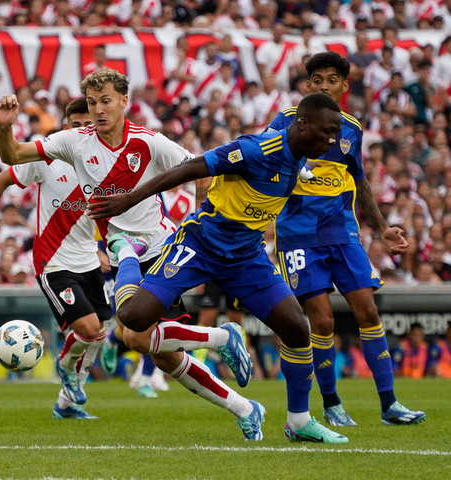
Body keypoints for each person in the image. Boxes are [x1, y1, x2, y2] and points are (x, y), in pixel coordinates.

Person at [0, 68, 264, 440]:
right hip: (123, 255)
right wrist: (5, 127)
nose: (99, 110)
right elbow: (13, 155)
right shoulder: (75, 141)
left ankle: (223, 338)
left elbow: (202, 171)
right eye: (92, 103)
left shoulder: (150, 142)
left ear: (124, 101)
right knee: (163, 355)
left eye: (105, 101)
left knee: (135, 337)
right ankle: (246, 408)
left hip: (158, 250)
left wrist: (203, 216)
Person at [87, 92, 349, 443]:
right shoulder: (256, 150)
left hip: (246, 257)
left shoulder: (300, 157)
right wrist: (130, 199)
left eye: (335, 134)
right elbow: (190, 167)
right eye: (327, 132)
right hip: (200, 245)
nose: (332, 141)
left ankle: (299, 422)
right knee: (133, 320)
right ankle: (127, 251)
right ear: (302, 125)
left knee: (297, 328)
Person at [267, 52, 425, 427]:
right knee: (321, 321)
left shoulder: (351, 129)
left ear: (343, 85)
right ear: (307, 86)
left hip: (343, 233)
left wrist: (383, 227)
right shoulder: (287, 121)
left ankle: (389, 405)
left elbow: (360, 180)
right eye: (317, 80)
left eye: (331, 80)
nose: (324, 86)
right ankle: (332, 404)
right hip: (298, 236)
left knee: (368, 312)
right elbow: (263, 161)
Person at [0, 97, 111, 419]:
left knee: (99, 333)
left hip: (88, 259)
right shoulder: (48, 156)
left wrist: (106, 246)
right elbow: (3, 177)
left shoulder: (105, 162)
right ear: (64, 127)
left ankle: (66, 404)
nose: (83, 131)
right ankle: (64, 366)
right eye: (76, 125)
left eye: (88, 124)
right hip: (53, 261)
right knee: (87, 328)